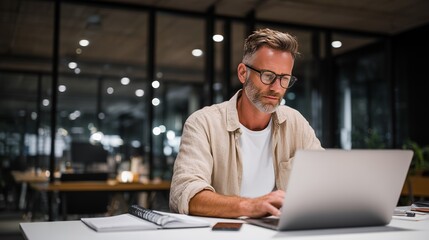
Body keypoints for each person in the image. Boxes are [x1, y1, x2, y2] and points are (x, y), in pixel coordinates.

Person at [169, 28, 323, 218]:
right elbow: (185, 194)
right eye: (268, 75)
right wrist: (250, 206)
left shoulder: (295, 122)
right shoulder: (203, 123)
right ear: (243, 73)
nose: (276, 88)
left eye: (284, 78)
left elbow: (323, 179)